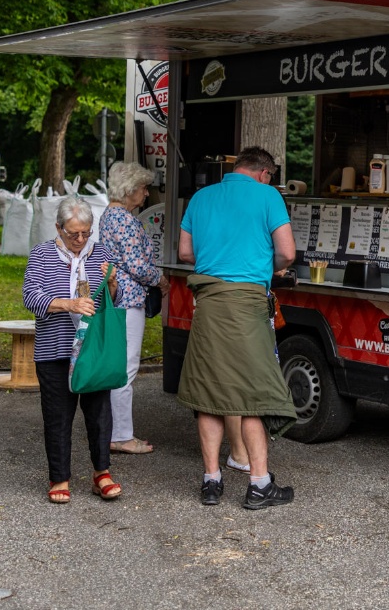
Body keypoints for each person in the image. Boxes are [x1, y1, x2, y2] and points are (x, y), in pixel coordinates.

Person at [177, 146, 298, 510]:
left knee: (209, 394)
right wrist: (266, 263)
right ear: (265, 173)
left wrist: (218, 259)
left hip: (208, 303)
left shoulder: (201, 196)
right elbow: (288, 253)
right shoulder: (268, 195)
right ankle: (259, 484)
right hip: (247, 305)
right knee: (252, 393)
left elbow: (185, 253)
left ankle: (211, 480)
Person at [22, 196, 122, 504]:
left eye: (86, 232)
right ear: (58, 228)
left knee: (99, 414)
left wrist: (113, 284)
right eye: (73, 233)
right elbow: (30, 297)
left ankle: (101, 474)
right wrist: (68, 304)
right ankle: (59, 477)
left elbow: (112, 303)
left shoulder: (101, 252)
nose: (80, 239)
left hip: (93, 349)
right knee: (58, 416)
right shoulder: (42, 254)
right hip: (56, 347)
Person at [97, 161, 167, 455]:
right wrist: (160, 279)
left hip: (117, 297)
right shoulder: (124, 220)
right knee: (127, 367)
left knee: (119, 365)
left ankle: (114, 430)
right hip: (129, 299)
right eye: (143, 188)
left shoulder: (108, 215)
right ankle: (121, 435)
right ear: (129, 190)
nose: (147, 194)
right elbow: (136, 265)